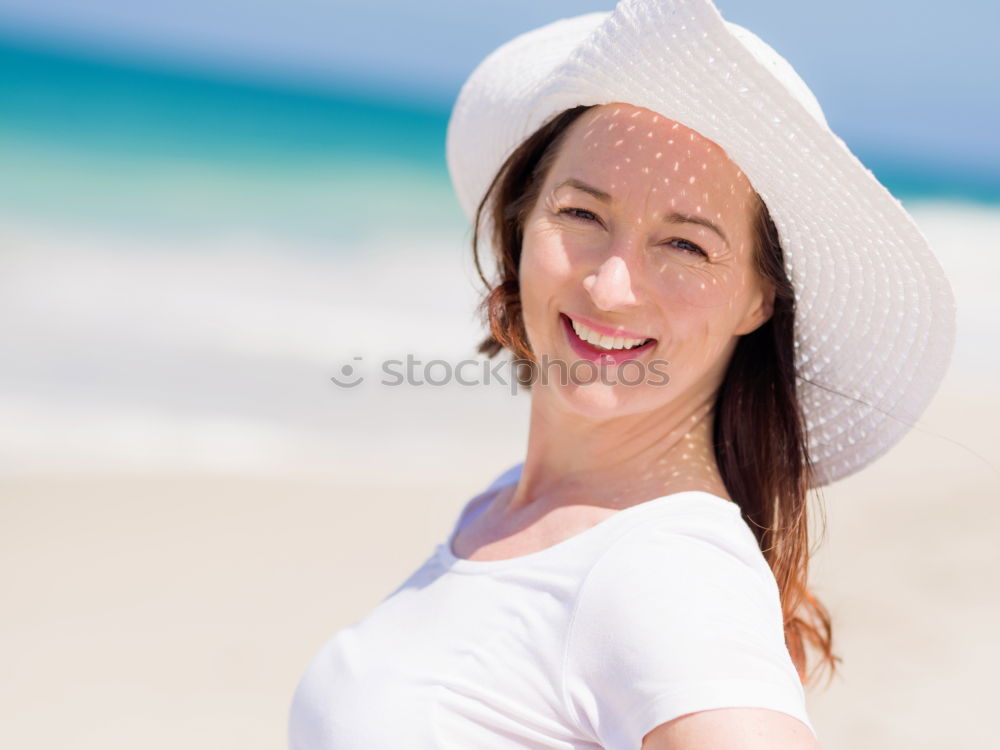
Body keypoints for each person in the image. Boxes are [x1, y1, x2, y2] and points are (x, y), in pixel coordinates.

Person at [288, 0, 955, 748]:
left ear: (759, 298)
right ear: (520, 223)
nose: (610, 288)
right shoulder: (507, 511)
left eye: (685, 245)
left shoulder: (664, 572)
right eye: (580, 214)